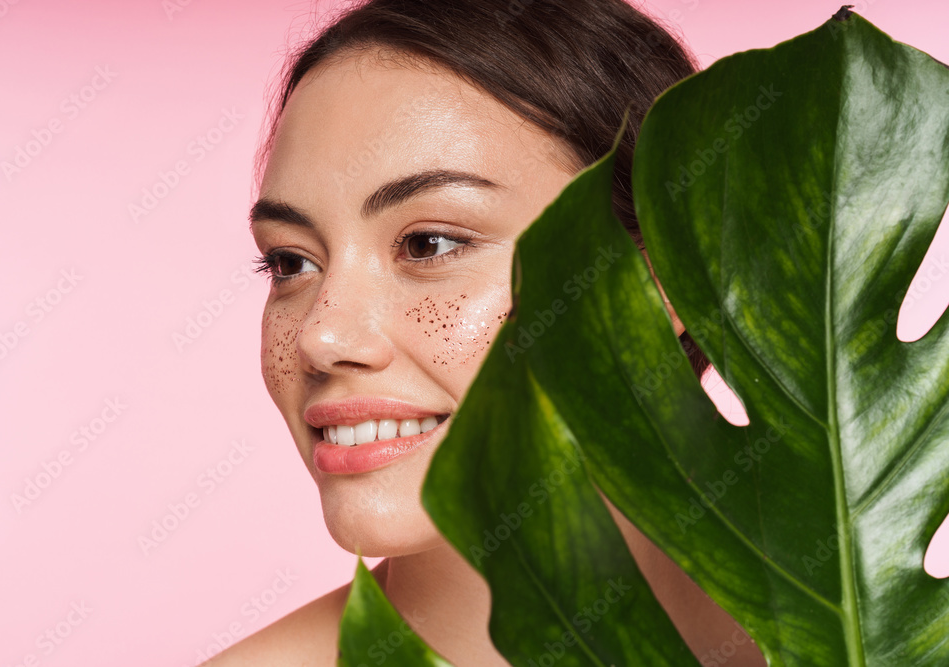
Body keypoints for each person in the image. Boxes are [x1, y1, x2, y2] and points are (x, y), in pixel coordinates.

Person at [209, 0, 766, 664]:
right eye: (290, 262)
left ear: (660, 280)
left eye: (428, 243)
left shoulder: (857, 629)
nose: (321, 337)